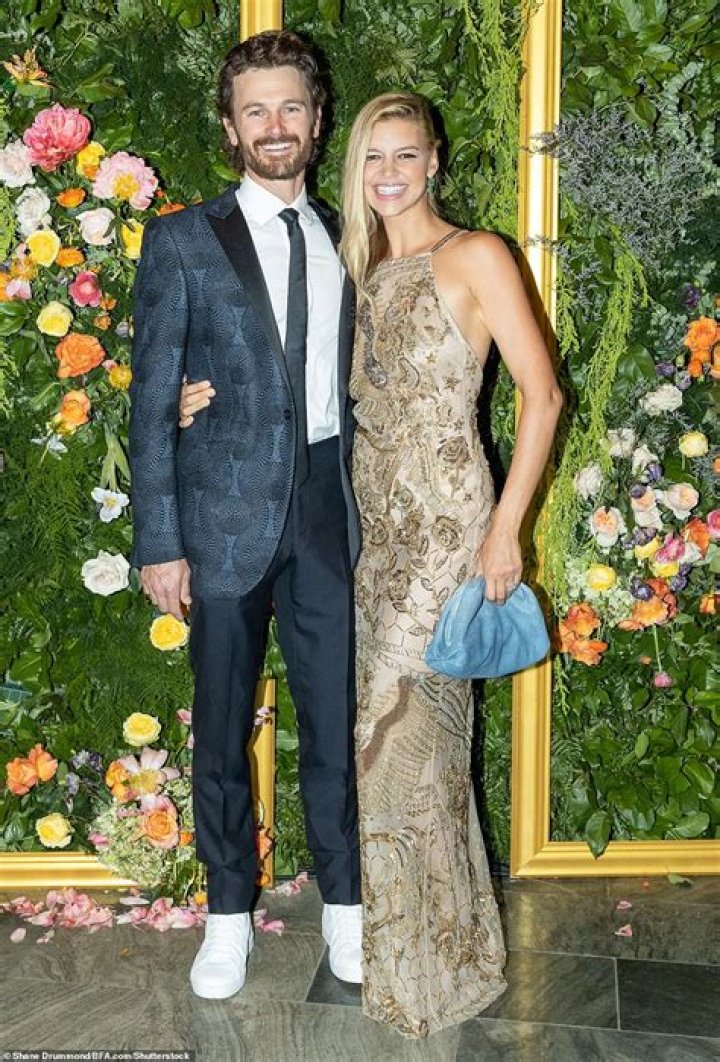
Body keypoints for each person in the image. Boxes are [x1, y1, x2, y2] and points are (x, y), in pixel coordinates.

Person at [180, 92, 562, 1036]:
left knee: (411, 752)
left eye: (406, 154)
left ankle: (436, 968)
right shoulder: (357, 263)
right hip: (364, 537)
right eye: (373, 158)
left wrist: (506, 530)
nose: (389, 173)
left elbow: (544, 396)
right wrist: (197, 396)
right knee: (378, 748)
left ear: (434, 160)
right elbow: (283, 369)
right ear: (355, 169)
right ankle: (426, 942)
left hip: (445, 532)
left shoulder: (477, 255)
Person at [129, 30, 362, 1001]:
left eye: (291, 107)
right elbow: (150, 400)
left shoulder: (356, 233)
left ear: (317, 120)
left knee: (334, 717)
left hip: (328, 509)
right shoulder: (182, 240)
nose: (275, 126)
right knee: (222, 726)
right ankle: (228, 914)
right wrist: (159, 541)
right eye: (255, 110)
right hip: (220, 519)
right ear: (230, 127)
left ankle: (347, 910)